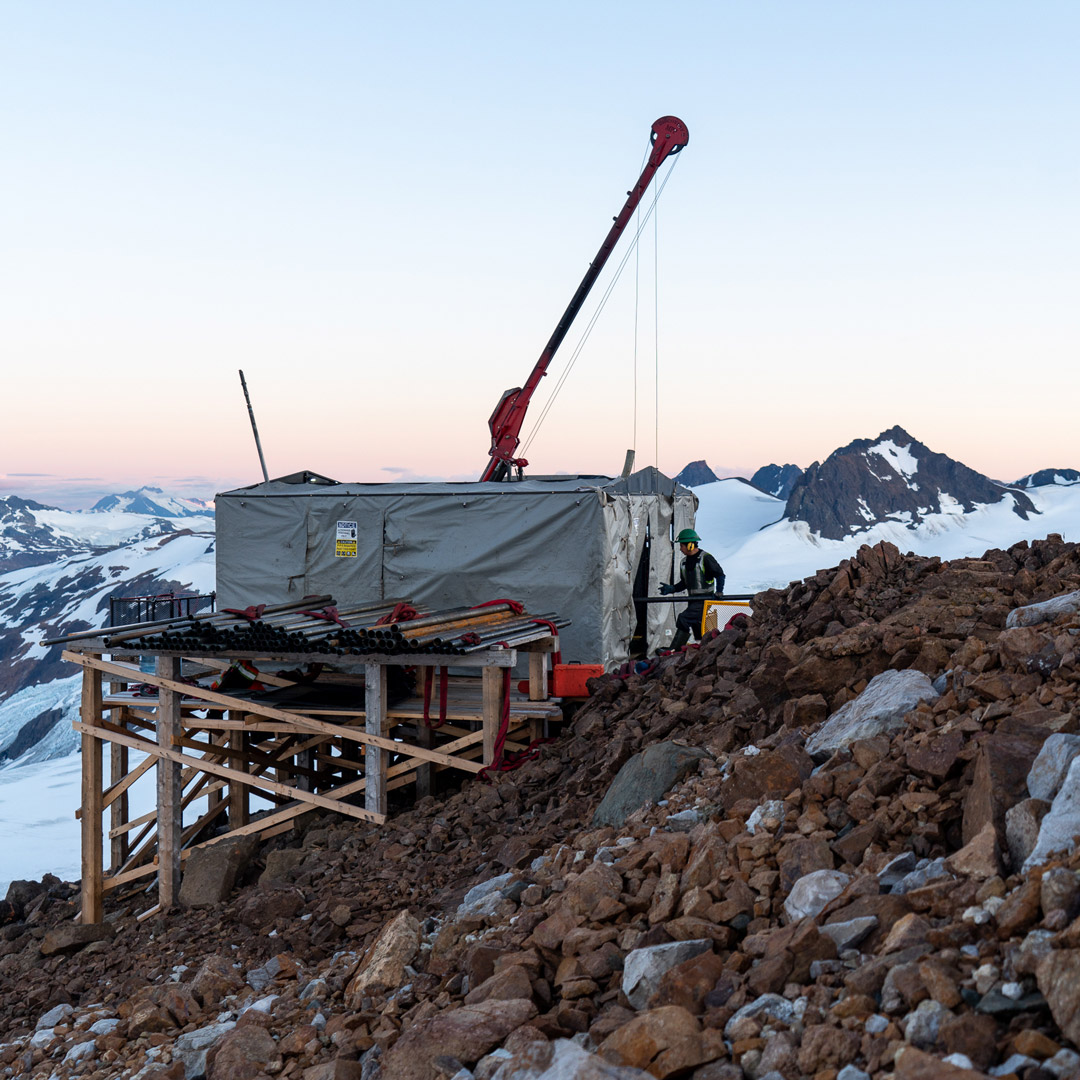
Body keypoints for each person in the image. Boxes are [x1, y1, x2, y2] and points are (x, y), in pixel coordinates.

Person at [659, 528, 725, 650]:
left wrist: (719, 591)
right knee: (698, 628)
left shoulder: (706, 558)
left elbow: (720, 574)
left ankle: (674, 649)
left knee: (683, 619)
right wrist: (672, 588)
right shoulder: (684, 562)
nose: (680, 548)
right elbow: (685, 583)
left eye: (682, 545)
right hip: (693, 601)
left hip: (705, 600)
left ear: (690, 545)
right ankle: (702, 649)